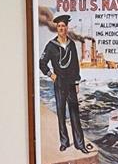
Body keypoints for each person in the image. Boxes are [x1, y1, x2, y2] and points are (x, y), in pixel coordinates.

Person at [38, 15, 93, 153]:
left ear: (67, 28)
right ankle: (64, 142)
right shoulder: (51, 46)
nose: (61, 28)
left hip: (70, 83)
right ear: (57, 29)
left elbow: (75, 65)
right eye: (59, 26)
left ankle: (80, 144)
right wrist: (50, 74)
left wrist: (76, 82)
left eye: (63, 26)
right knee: (61, 113)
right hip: (59, 83)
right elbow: (42, 63)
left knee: (75, 114)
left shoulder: (72, 44)